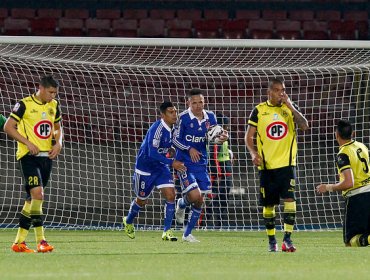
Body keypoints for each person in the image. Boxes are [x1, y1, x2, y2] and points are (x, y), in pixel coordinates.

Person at [245, 78, 309, 252]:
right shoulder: (259, 110)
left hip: (287, 164)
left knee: (290, 199)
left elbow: (304, 125)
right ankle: (272, 241)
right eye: (278, 90)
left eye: (283, 90)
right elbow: (248, 137)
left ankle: (287, 239)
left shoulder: (289, 108)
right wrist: (253, 153)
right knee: (269, 205)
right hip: (266, 166)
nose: (281, 93)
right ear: (269, 92)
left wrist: (290, 105)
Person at [4, 75, 63, 253]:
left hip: (46, 157)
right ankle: (41, 241)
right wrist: (27, 143)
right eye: (51, 92)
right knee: (38, 194)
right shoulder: (24, 104)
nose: (53, 96)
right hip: (28, 156)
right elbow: (8, 126)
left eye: (55, 93)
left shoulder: (54, 105)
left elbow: (58, 127)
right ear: (41, 88)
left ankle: (19, 242)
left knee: (32, 200)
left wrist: (59, 142)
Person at [122, 101, 186, 241]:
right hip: (145, 169)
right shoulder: (156, 129)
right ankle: (128, 220)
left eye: (175, 111)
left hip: (161, 167)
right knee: (142, 201)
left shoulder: (174, 128)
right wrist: (172, 162)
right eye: (171, 112)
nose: (174, 114)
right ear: (163, 115)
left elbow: (173, 144)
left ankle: (167, 232)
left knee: (171, 195)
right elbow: (152, 153)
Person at [173, 88, 228, 242]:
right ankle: (182, 205)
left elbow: (215, 135)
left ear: (204, 102)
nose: (198, 105)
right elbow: (175, 140)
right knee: (196, 195)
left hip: (202, 163)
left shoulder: (210, 116)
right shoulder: (183, 118)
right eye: (194, 102)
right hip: (184, 163)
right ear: (188, 103)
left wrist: (223, 137)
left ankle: (186, 233)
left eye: (201, 102)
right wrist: (189, 149)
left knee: (199, 200)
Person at [316, 119, 370, 247]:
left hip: (357, 198)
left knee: (350, 242)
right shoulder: (362, 146)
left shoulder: (343, 154)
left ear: (337, 135)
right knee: (364, 236)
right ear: (353, 134)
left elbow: (349, 183)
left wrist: (327, 187)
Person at [208, 113, 234, 227]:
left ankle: (220, 224)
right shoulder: (217, 134)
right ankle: (203, 223)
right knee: (217, 199)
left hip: (226, 172)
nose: (227, 127)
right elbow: (214, 156)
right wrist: (217, 175)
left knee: (222, 199)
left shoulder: (223, 135)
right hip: (221, 173)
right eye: (226, 125)